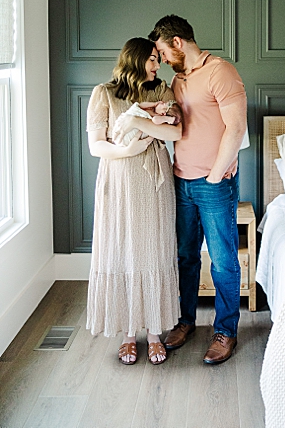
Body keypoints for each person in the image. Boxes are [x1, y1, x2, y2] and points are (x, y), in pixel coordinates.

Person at [149, 15, 248, 365]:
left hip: (213, 184)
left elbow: (237, 127)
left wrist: (217, 174)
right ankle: (185, 321)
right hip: (180, 180)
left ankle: (225, 331)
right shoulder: (175, 81)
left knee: (222, 262)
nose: (160, 59)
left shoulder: (220, 71)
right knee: (185, 257)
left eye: (162, 51)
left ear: (177, 43)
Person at [85, 37, 182, 365]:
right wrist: (126, 150)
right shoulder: (105, 93)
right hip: (119, 178)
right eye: (152, 59)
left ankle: (154, 331)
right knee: (122, 249)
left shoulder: (162, 91)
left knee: (153, 248)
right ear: (134, 59)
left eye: (158, 59)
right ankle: (128, 333)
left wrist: (144, 124)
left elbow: (176, 134)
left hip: (154, 180)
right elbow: (96, 145)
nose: (157, 65)